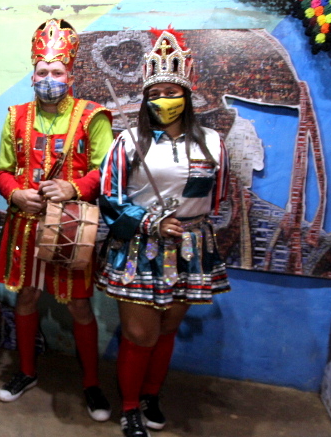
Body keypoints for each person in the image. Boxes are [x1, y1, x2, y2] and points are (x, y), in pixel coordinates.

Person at [97, 28, 230, 437]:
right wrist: (150, 221)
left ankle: (152, 394)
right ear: (146, 97)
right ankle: (130, 406)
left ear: (187, 95)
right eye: (156, 93)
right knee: (141, 333)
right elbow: (108, 196)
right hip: (141, 246)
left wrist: (191, 224)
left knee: (168, 328)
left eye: (172, 92)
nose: (164, 101)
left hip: (190, 247)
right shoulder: (129, 141)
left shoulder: (211, 141)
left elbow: (218, 195)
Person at [0, 18, 114, 422]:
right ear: (32, 74)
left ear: (71, 74)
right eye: (42, 71)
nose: (49, 78)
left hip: (70, 227)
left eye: (57, 72)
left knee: (80, 306)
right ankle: (26, 372)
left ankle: (91, 383)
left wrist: (74, 188)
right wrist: (14, 192)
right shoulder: (16, 116)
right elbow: (2, 170)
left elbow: (105, 170)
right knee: (25, 297)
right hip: (24, 226)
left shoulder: (93, 116)